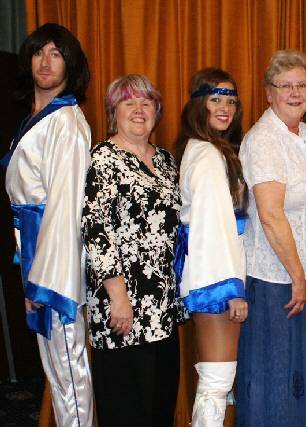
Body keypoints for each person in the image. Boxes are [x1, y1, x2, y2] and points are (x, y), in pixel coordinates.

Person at [235, 49, 306, 427]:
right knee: (274, 379)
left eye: (302, 85)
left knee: (303, 376)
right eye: (285, 86)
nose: (295, 93)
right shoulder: (264, 140)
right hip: (277, 280)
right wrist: (296, 276)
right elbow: (271, 214)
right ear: (268, 93)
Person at [3, 23, 94, 427]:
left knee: (70, 367)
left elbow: (65, 207)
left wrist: (45, 280)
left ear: (70, 64)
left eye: (56, 53)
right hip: (35, 248)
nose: (45, 60)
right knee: (56, 371)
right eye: (40, 51)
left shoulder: (68, 122)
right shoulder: (37, 119)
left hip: (57, 261)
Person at [82, 74, 182, 427]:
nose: (139, 110)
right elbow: (95, 228)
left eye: (146, 103)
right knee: (126, 407)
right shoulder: (102, 157)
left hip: (163, 307)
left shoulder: (167, 160)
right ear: (113, 112)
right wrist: (118, 294)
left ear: (157, 111)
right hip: (122, 305)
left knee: (160, 405)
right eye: (129, 102)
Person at [175, 68, 248, 427]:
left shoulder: (210, 150)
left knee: (217, 379)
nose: (224, 107)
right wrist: (231, 290)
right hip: (214, 278)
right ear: (198, 104)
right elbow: (213, 229)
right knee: (217, 381)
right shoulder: (206, 156)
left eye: (231, 100)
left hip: (211, 272)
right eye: (215, 99)